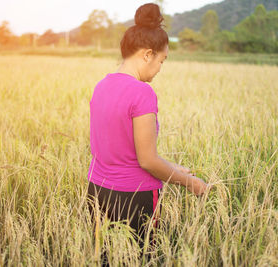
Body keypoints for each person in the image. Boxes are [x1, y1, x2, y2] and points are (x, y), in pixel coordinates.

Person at [87, 2, 209, 252]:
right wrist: (190, 182)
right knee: (141, 257)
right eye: (162, 60)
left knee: (104, 257)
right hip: (134, 197)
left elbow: (119, 150)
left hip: (97, 191)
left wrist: (173, 167)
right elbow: (147, 161)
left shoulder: (102, 86)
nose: (160, 68)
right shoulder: (142, 92)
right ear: (147, 54)